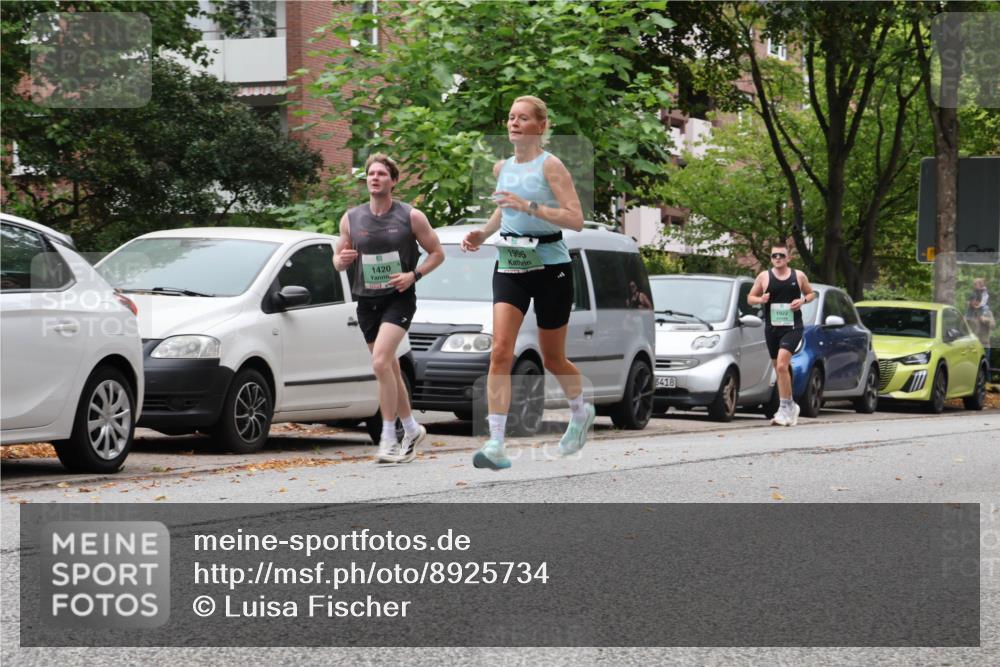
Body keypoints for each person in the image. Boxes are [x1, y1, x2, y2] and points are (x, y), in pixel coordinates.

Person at [461, 95, 588, 470]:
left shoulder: (551, 166)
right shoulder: (502, 167)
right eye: (511, 117)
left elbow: (575, 219)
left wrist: (529, 206)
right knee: (501, 350)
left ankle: (580, 413)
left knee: (553, 358)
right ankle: (496, 444)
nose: (514, 123)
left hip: (552, 266)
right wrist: (484, 233)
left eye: (523, 118)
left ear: (541, 126)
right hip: (512, 263)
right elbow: (504, 208)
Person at [334, 153, 444, 463]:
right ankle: (411, 428)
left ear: (393, 181)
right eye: (371, 173)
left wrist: (413, 275)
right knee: (391, 368)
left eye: (382, 174)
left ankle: (388, 438)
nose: (375, 178)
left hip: (399, 298)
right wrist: (340, 260)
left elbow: (437, 253)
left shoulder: (411, 216)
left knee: (381, 363)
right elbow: (338, 258)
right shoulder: (351, 218)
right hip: (366, 301)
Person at [747, 241, 815, 426]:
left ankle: (784, 408)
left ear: (788, 258)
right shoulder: (764, 276)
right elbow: (750, 298)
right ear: (771, 258)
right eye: (774, 255)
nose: (777, 258)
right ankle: (790, 405)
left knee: (783, 365)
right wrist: (761, 299)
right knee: (778, 368)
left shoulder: (798, 275)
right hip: (772, 328)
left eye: (781, 255)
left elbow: (811, 294)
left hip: (792, 327)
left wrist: (802, 301)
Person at [967, 278, 994, 365]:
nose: (974, 302)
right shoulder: (969, 313)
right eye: (972, 301)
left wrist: (985, 319)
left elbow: (993, 325)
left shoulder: (987, 311)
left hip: (984, 344)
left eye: (976, 300)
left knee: (985, 366)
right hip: (972, 346)